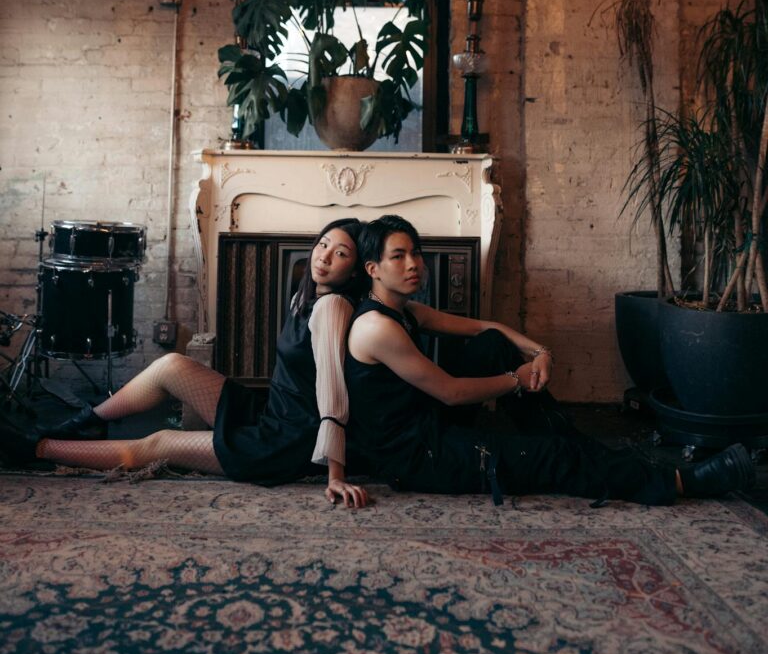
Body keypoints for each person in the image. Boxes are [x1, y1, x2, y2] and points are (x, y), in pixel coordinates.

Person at [345, 214, 755, 506]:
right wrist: (518, 378)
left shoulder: (404, 310)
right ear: (373, 269)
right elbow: (450, 393)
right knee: (554, 458)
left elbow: (485, 326)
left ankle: (571, 442)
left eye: (416, 253)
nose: (414, 264)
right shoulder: (376, 328)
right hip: (417, 456)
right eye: (399, 256)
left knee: (491, 343)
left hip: (428, 424)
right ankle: (680, 481)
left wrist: (540, 352)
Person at [0, 219, 370, 508]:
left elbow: (333, 389)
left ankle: (37, 448)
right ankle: (82, 425)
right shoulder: (306, 297)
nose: (324, 256)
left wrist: (335, 474)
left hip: (284, 443)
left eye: (340, 253)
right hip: (271, 413)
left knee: (159, 443)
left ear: (355, 271)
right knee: (172, 365)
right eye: (323, 244)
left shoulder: (332, 306)